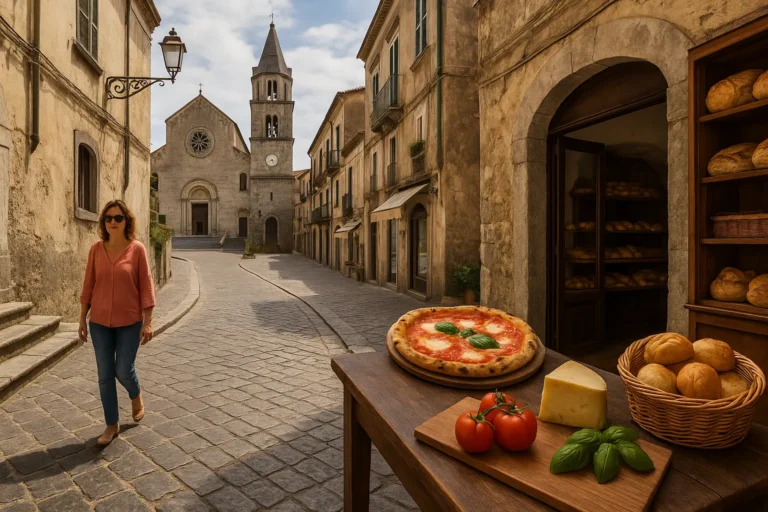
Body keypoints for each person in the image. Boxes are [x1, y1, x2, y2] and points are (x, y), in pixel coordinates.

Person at [79, 200, 156, 446]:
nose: (112, 222)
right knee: (104, 375)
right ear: (103, 222)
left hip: (129, 322)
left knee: (123, 369)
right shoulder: (95, 250)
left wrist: (148, 322)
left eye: (118, 218)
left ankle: (135, 394)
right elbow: (88, 286)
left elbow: (146, 287)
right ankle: (111, 425)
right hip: (99, 322)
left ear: (126, 221)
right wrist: (82, 318)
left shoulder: (137, 250)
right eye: (108, 218)